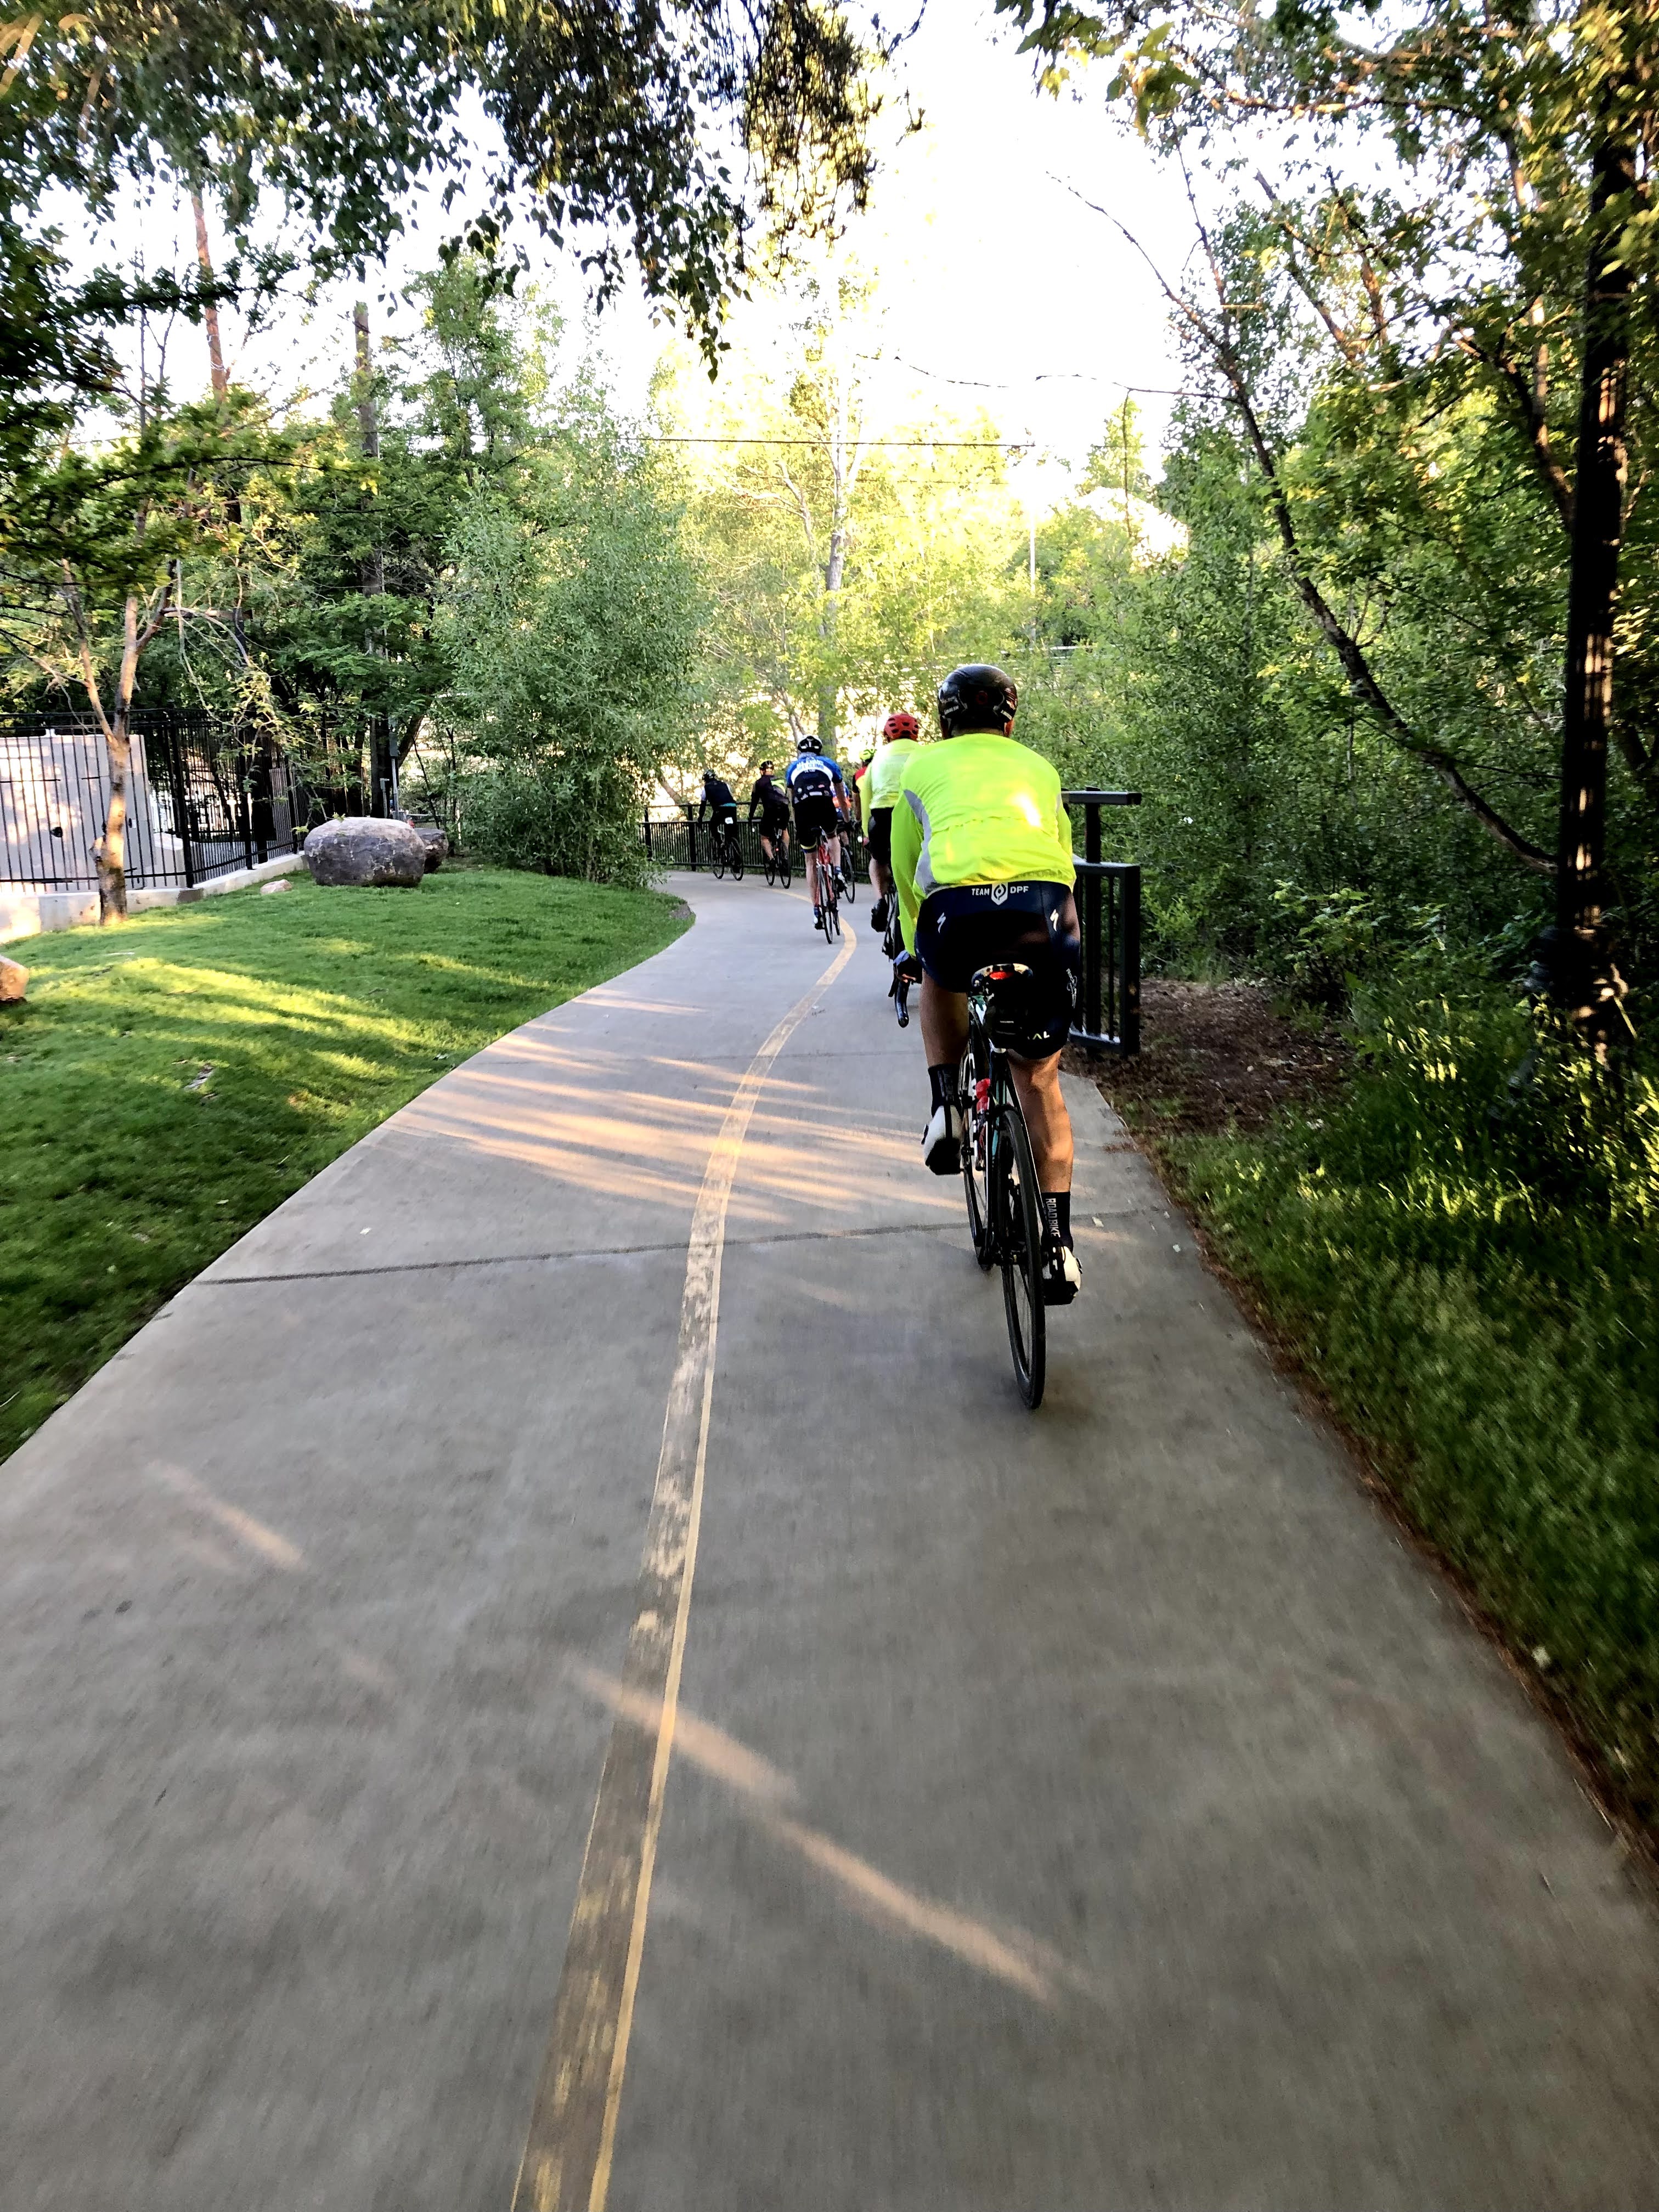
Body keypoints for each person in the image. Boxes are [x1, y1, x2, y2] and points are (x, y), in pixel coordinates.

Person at [889, 663, 1082, 1304]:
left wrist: (918, 950)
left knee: (938, 977)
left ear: (944, 722)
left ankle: (947, 1104)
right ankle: (1056, 1247)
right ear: (1010, 720)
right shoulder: (1041, 770)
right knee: (1040, 1081)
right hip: (1043, 916)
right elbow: (1063, 861)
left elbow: (907, 873)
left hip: (958, 918)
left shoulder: (921, 771)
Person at [863, 710, 922, 934]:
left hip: (882, 813)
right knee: (922, 854)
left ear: (887, 737)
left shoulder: (878, 758)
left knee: (877, 859)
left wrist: (866, 832)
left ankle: (880, 900)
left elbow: (866, 796)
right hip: (914, 811)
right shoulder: (924, 753)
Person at [784, 735, 850, 925]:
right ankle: (837, 870)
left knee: (810, 861)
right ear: (819, 751)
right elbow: (841, 795)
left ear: (800, 752)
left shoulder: (793, 767)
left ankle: (816, 909)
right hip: (824, 804)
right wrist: (847, 820)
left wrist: (796, 823)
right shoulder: (828, 763)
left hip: (803, 809)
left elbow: (792, 799)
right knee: (832, 835)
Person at [748, 760, 792, 868]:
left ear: (762, 771)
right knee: (784, 830)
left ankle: (772, 859)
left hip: (770, 811)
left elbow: (754, 802)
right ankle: (785, 855)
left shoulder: (758, 783)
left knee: (764, 838)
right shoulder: (781, 780)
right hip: (784, 809)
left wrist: (751, 816)